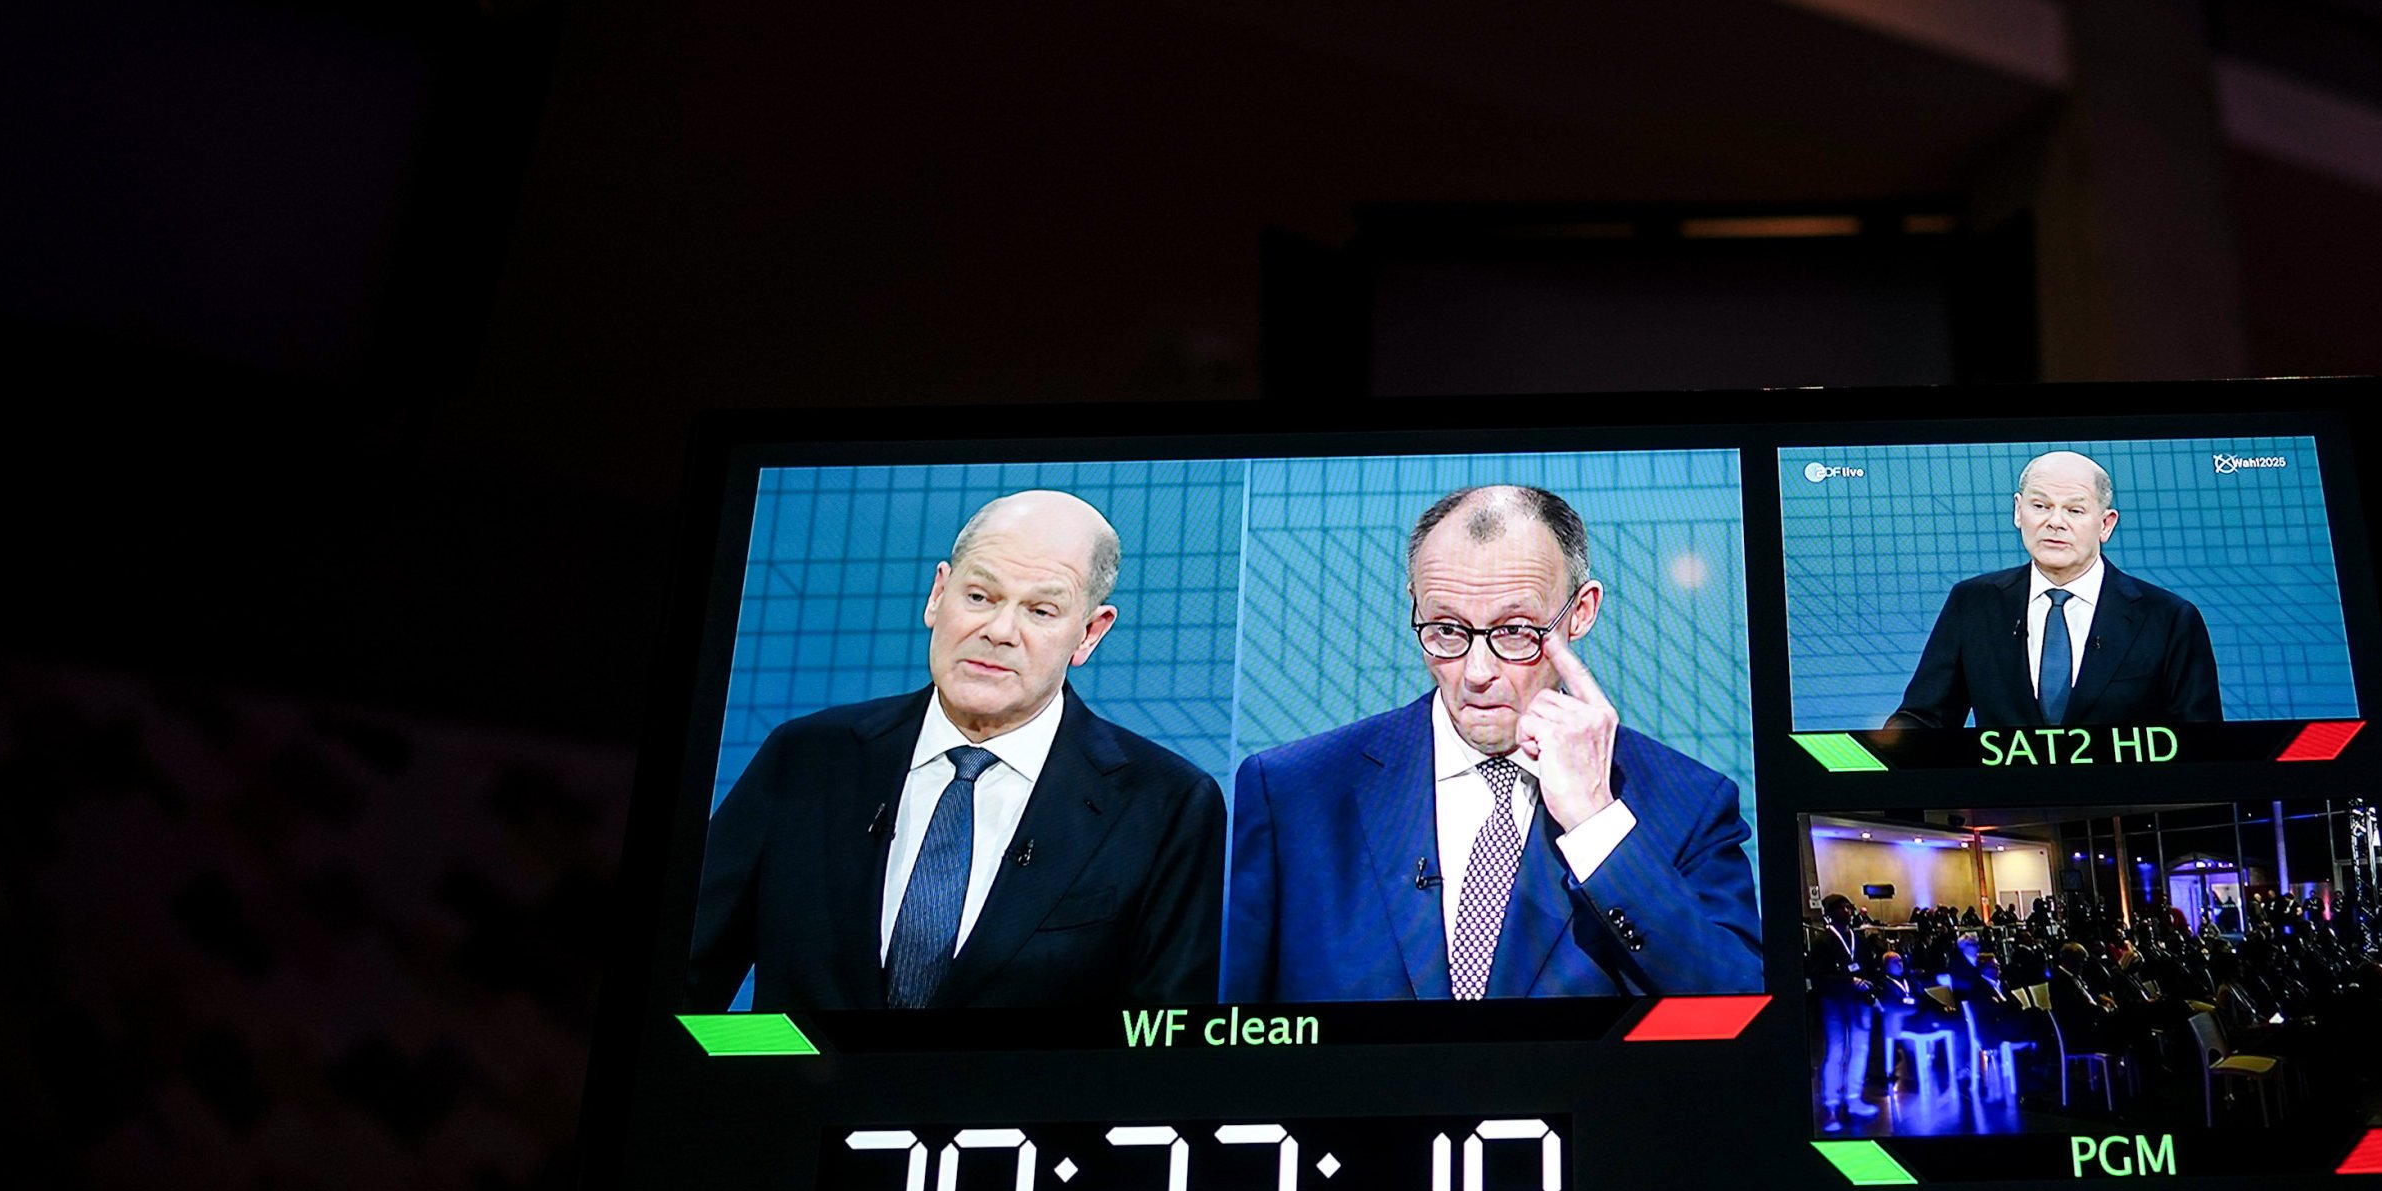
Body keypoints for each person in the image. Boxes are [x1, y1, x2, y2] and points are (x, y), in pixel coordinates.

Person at [1222, 483, 1762, 1002]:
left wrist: (1597, 827)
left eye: (1515, 631)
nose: (1477, 672)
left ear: (1581, 612)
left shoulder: (1690, 802)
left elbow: (1744, 1012)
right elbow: (1240, 1041)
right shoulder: (1292, 793)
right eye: (1448, 629)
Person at [686, 491, 1220, 1013]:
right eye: (980, 597)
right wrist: (766, 1066)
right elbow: (678, 998)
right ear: (938, 594)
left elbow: (1159, 1051)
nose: (999, 631)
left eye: (1040, 610)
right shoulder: (805, 757)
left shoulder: (1165, 804)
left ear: (1089, 634)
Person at [1887, 450, 2224, 732]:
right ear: (2019, 511)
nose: (2055, 522)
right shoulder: (1974, 603)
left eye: (2074, 510)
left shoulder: (2168, 618)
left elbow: (2201, 744)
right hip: (2008, 809)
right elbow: (1925, 719)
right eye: (2040, 506)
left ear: (2106, 524)